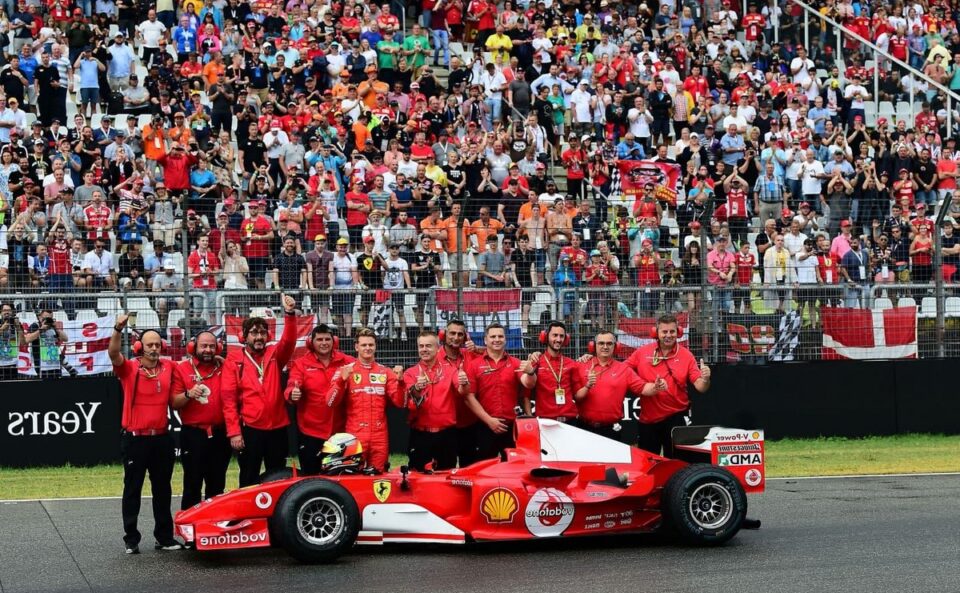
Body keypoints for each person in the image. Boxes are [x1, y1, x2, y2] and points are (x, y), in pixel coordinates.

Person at [109, 315, 184, 554]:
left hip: (162, 437)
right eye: (149, 344)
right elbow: (113, 354)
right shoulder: (130, 368)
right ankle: (131, 538)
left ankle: (164, 537)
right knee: (132, 489)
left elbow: (192, 368)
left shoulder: (170, 367)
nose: (154, 348)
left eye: (157, 344)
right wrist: (118, 329)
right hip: (136, 438)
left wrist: (218, 359)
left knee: (162, 488)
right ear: (140, 347)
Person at [221, 294, 299, 487]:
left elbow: (289, 343)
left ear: (268, 336)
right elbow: (228, 400)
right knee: (249, 477)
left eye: (263, 333)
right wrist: (234, 432)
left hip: (277, 428)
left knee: (277, 478)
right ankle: (246, 515)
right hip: (251, 429)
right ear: (244, 336)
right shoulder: (234, 361)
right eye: (254, 333)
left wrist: (289, 314)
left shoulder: (274, 355)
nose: (259, 337)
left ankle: (275, 516)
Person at [626, 314, 712, 457]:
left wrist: (706, 378)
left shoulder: (686, 355)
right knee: (647, 463)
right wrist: (641, 385)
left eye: (672, 331)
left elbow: (700, 387)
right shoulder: (642, 352)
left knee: (676, 464)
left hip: (676, 418)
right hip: (648, 418)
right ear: (656, 332)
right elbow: (623, 369)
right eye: (664, 332)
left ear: (678, 332)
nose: (668, 335)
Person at [326, 328, 404, 473]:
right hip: (355, 435)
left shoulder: (385, 372)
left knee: (379, 478)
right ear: (356, 347)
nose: (367, 348)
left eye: (371, 345)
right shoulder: (345, 371)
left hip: (379, 436)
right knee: (353, 476)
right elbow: (330, 402)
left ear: (375, 346)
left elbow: (399, 403)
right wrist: (341, 382)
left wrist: (401, 383)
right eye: (364, 345)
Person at [171, 331, 230, 510]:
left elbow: (238, 373)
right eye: (204, 346)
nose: (208, 350)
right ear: (193, 347)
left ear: (218, 348)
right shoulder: (182, 368)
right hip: (193, 434)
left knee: (217, 485)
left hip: (220, 433)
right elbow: (174, 402)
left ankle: (213, 531)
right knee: (192, 485)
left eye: (212, 346)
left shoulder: (223, 366)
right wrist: (188, 394)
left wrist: (226, 362)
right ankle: (190, 532)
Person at [285, 324, 355, 475]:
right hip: (311, 432)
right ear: (311, 342)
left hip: (340, 431)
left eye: (327, 339)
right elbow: (292, 384)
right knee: (311, 477)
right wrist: (292, 393)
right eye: (320, 339)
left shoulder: (347, 361)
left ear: (334, 341)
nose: (324, 343)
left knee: (340, 477)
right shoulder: (301, 364)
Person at [460, 323, 523, 461]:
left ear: (505, 339)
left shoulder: (515, 363)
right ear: (485, 340)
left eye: (500, 336)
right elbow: (468, 397)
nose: (497, 339)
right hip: (485, 426)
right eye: (493, 336)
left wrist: (530, 372)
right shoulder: (474, 365)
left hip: (511, 426)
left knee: (513, 469)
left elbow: (528, 383)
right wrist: (489, 421)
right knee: (484, 471)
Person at [574, 331, 644, 440]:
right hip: (584, 427)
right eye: (601, 343)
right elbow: (576, 397)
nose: (605, 347)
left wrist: (656, 386)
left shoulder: (624, 369)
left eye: (609, 343)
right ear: (593, 346)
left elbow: (643, 388)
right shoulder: (580, 365)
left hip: (611, 430)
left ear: (616, 346)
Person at [404, 331, 459, 471]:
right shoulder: (410, 372)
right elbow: (412, 399)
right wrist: (417, 388)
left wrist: (464, 383)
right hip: (421, 434)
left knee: (446, 476)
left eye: (428, 346)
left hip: (446, 434)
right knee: (418, 477)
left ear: (437, 347)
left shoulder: (451, 370)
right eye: (421, 346)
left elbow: (462, 391)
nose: (424, 349)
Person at [519, 321, 583, 423]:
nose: (558, 339)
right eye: (555, 335)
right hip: (546, 421)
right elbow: (526, 394)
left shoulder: (571, 364)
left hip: (570, 421)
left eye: (561, 336)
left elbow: (578, 394)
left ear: (566, 339)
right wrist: (530, 418)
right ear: (545, 337)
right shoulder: (536, 362)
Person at [25, 310, 69, 379]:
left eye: (49, 318)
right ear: (39, 317)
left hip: (55, 362)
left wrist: (56, 328)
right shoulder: (35, 325)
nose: (47, 320)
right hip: (41, 363)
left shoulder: (53, 328)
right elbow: (27, 339)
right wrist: (41, 330)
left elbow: (65, 338)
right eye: (45, 318)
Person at [0, 303, 25, 381]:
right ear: (0, 312)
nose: (7, 312)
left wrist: (18, 327)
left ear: (12, 312)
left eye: (9, 310)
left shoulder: (16, 323)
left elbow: (23, 342)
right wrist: (2, 328)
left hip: (13, 363)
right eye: (4, 310)